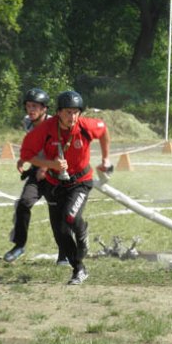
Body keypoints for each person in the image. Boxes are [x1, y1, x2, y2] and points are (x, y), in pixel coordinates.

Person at [19, 90, 111, 285]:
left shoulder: (85, 126)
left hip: (80, 181)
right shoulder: (45, 128)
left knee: (70, 217)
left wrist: (105, 158)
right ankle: (79, 269)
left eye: (76, 112)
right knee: (60, 232)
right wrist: (51, 165)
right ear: (59, 112)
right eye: (68, 112)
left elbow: (103, 131)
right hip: (54, 183)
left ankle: (82, 232)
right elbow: (27, 154)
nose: (73, 117)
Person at [3, 88, 68, 265]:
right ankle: (19, 245)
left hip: (55, 172)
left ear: (45, 108)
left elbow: (63, 150)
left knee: (57, 214)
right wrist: (24, 158)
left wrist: (46, 168)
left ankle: (64, 254)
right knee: (24, 203)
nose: (31, 110)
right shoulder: (27, 122)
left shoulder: (56, 125)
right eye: (28, 106)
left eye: (35, 107)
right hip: (37, 170)